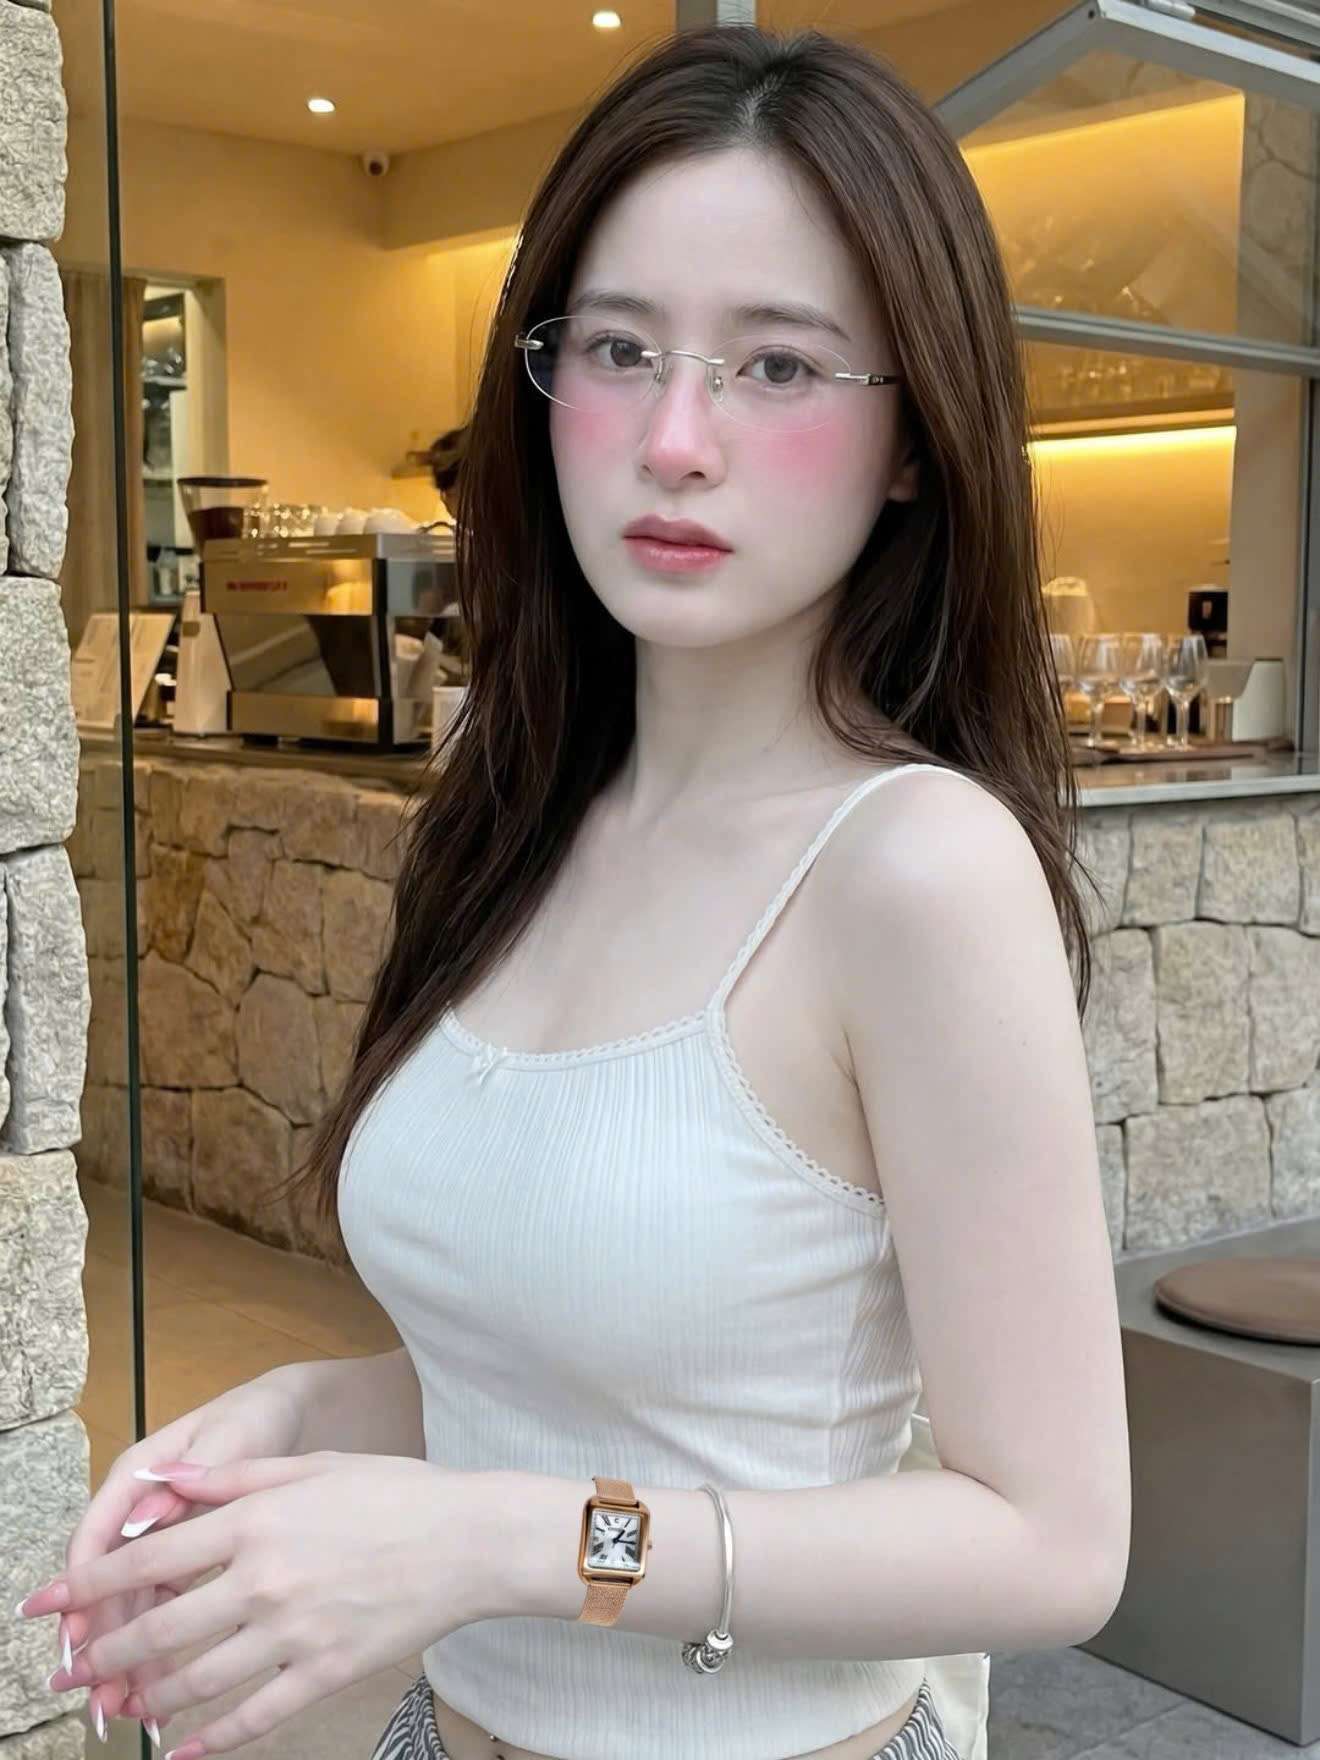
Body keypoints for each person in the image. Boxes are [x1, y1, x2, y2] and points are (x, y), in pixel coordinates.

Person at [44, 25, 1130, 1760]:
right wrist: (307, 1414)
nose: (676, 439)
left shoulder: (916, 872)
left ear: (914, 438)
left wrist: (505, 1545)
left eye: (779, 366)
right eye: (620, 349)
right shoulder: (520, 812)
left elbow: (1051, 1545)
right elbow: (564, 1380)